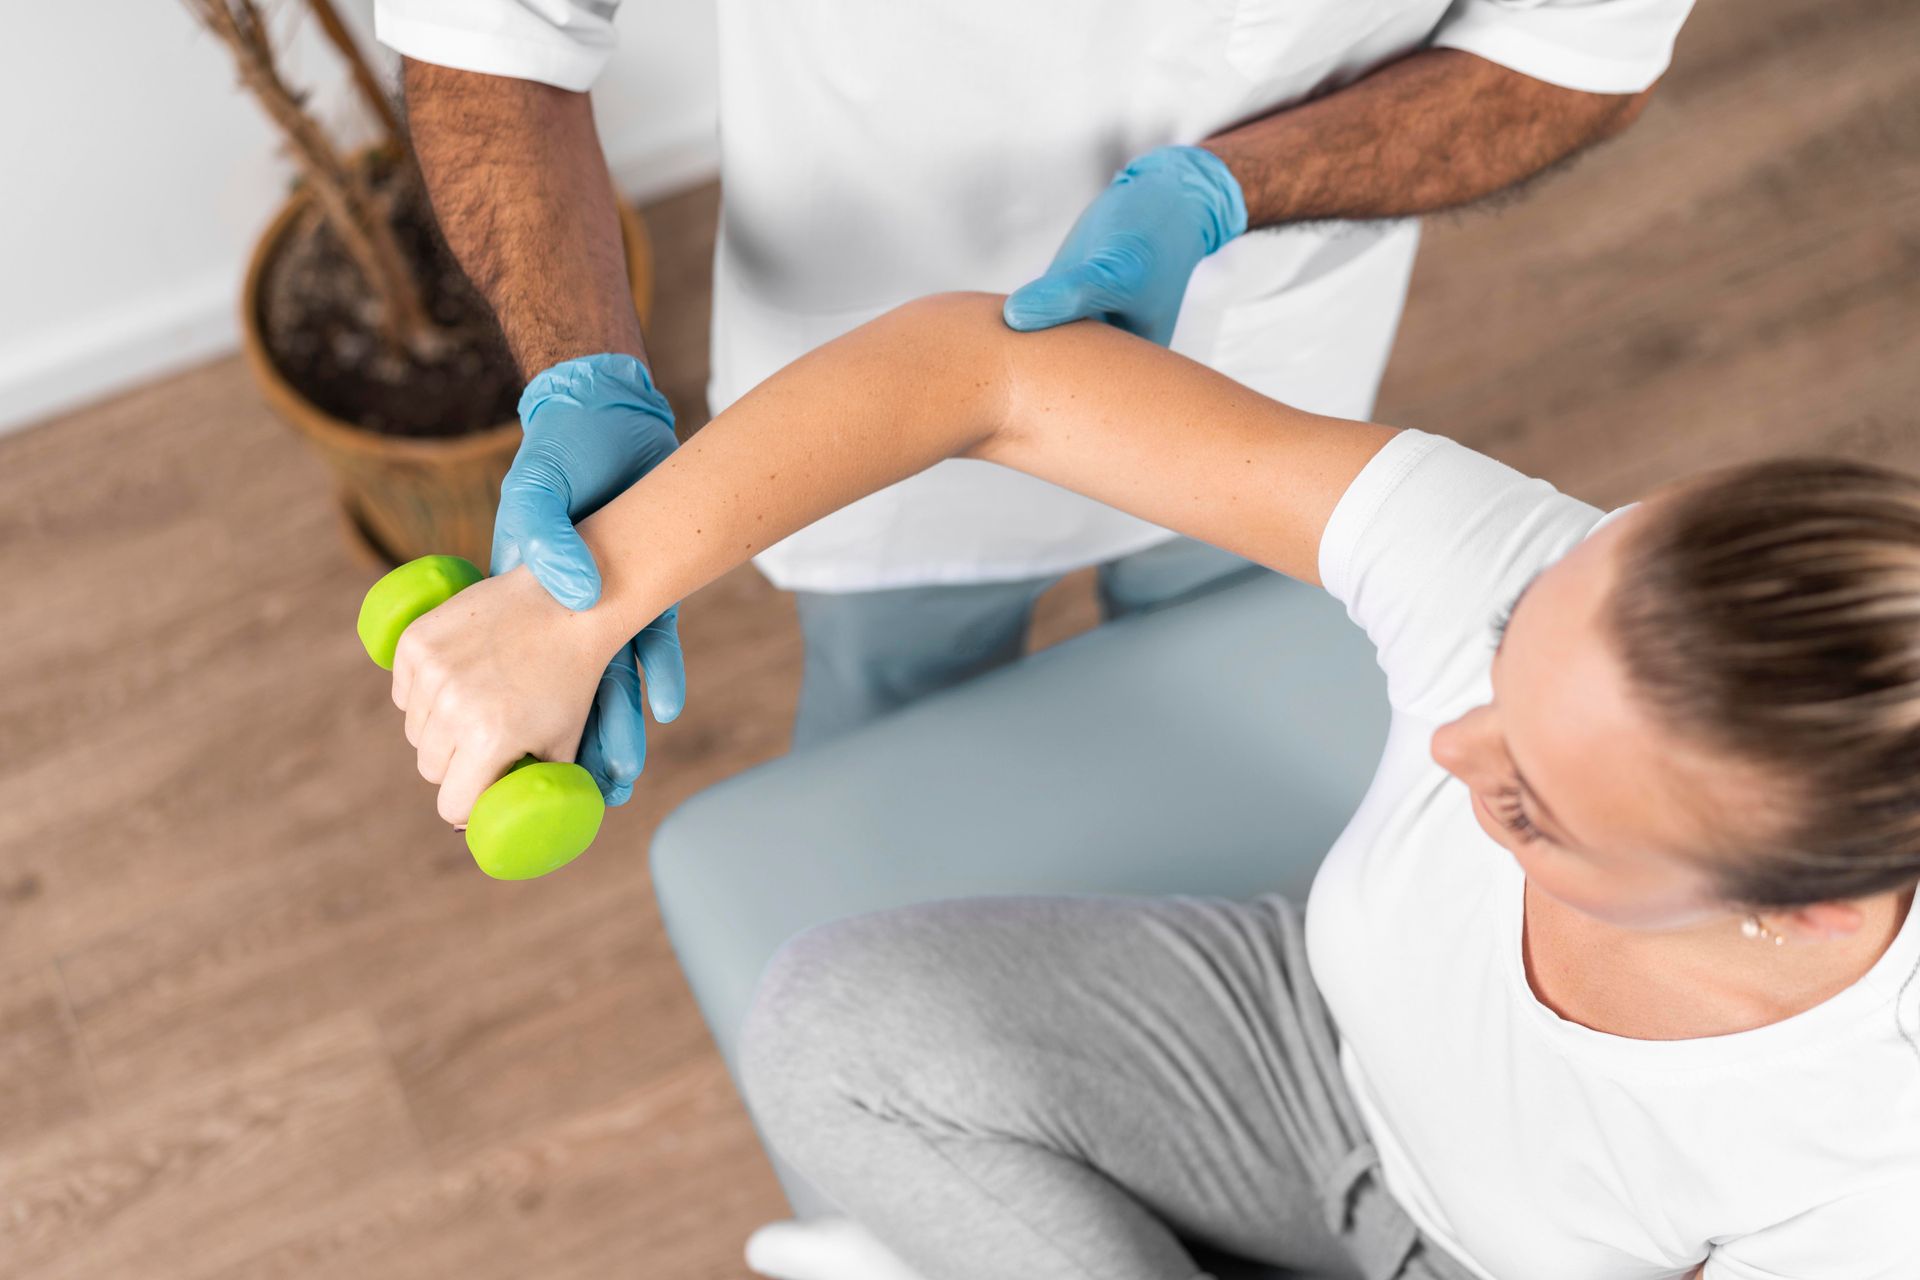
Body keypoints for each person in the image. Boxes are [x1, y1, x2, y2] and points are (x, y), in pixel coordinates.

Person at [387, 295, 1920, 1279]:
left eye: (1534, 809)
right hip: (1294, 1027)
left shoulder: (1868, 1164)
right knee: (839, 1033)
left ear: (1808, 912)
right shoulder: (1523, 573)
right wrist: (581, 602)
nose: (1457, 749)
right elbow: (992, 377)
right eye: (1506, 669)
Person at [377, 0, 1696, 792]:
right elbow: (486, 33)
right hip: (859, 329)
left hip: (1270, 345)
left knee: (1234, 699)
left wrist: (1231, 190)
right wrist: (579, 378)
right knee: (899, 731)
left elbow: (1573, 51)